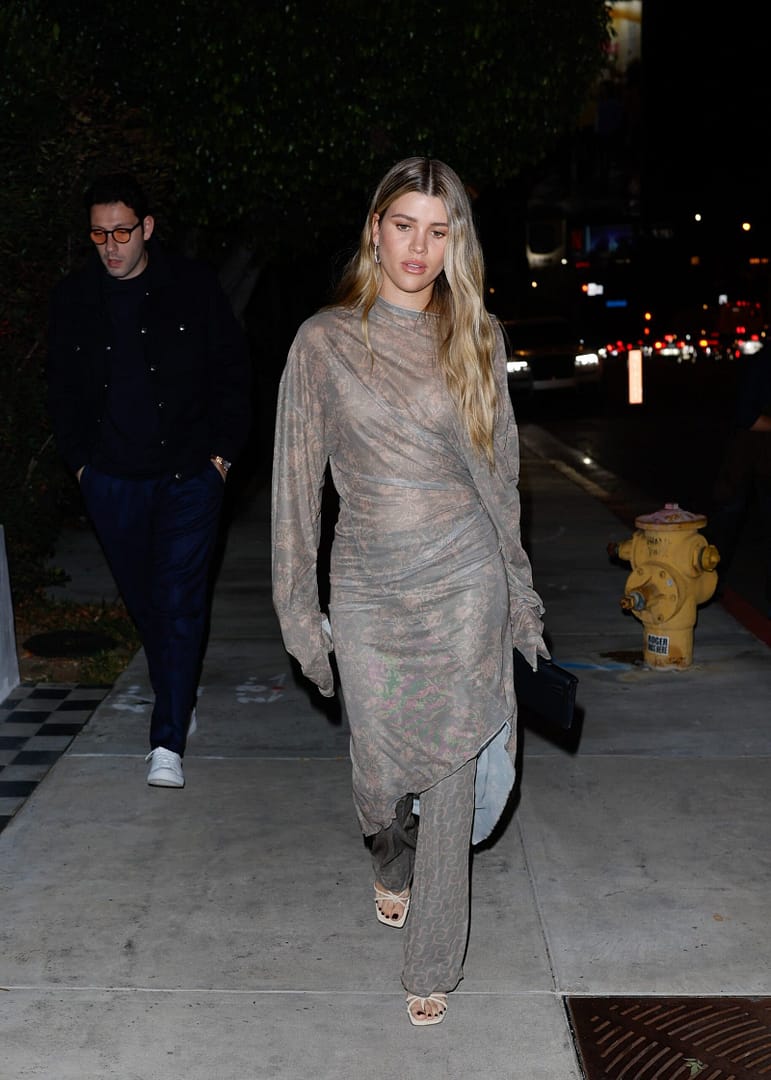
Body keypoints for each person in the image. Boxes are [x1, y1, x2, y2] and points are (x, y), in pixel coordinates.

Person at [271, 157, 548, 1026]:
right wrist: (299, 616)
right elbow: (293, 492)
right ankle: (390, 858)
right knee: (380, 777)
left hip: (464, 582)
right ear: (375, 230)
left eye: (438, 231)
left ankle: (431, 961)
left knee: (453, 769)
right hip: (368, 586)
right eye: (404, 226)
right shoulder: (323, 342)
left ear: (455, 242)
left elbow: (501, 482)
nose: (419, 248)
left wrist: (520, 596)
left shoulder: (476, 336)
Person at [46, 172, 251, 788]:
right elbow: (60, 391)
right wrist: (82, 466)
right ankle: (177, 695)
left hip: (189, 475)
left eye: (122, 232)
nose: (111, 246)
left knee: (180, 602)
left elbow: (233, 372)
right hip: (111, 479)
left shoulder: (192, 286)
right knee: (145, 603)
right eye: (99, 234)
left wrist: (220, 459)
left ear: (147, 228)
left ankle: (167, 741)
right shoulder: (74, 298)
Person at [708, 343, 771, 618]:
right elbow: (746, 416)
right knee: (728, 518)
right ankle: (709, 583)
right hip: (747, 457)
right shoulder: (763, 363)